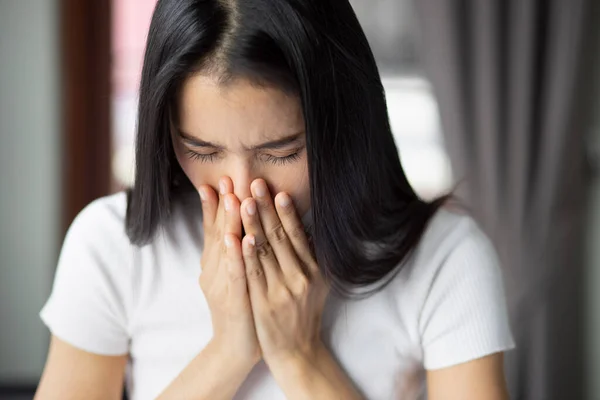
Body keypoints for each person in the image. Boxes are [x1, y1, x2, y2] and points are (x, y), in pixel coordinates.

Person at [35, 0, 515, 399]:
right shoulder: (107, 246)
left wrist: (299, 356)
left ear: (341, 126)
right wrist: (227, 353)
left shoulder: (446, 258)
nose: (243, 189)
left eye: (280, 152)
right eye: (202, 150)